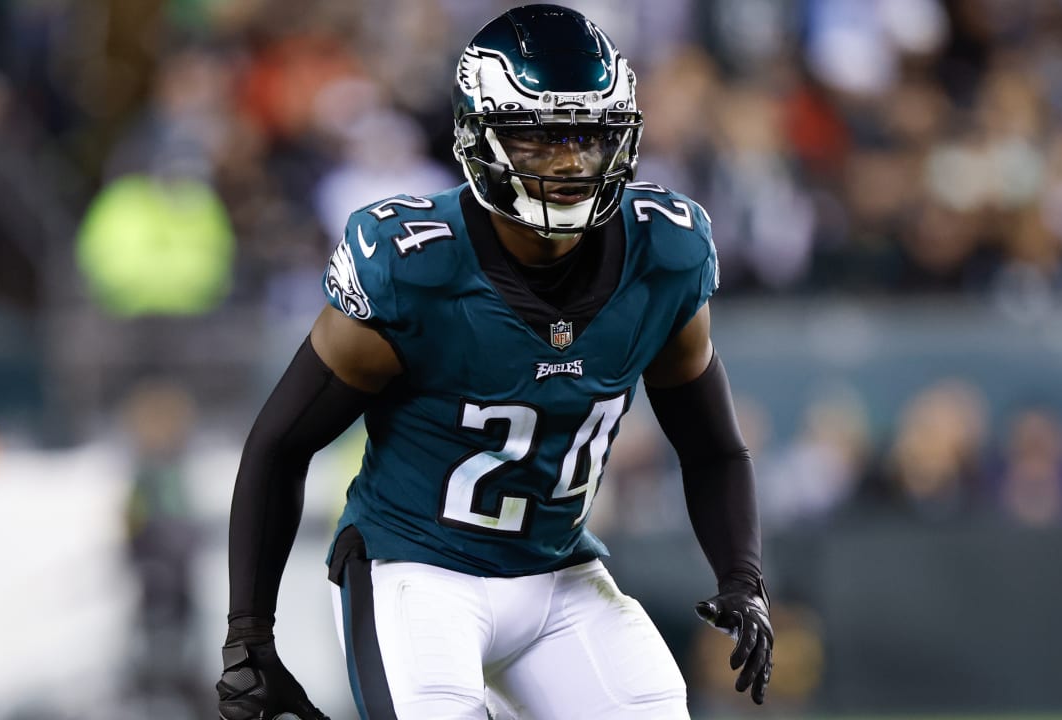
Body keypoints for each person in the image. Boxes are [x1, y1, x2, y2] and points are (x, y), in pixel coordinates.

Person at [216, 5, 773, 719]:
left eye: (587, 137)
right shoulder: (415, 268)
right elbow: (279, 443)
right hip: (415, 568)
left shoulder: (664, 254)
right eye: (538, 140)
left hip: (560, 575)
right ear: (480, 136)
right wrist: (248, 636)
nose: (570, 163)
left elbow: (713, 446)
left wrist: (743, 575)